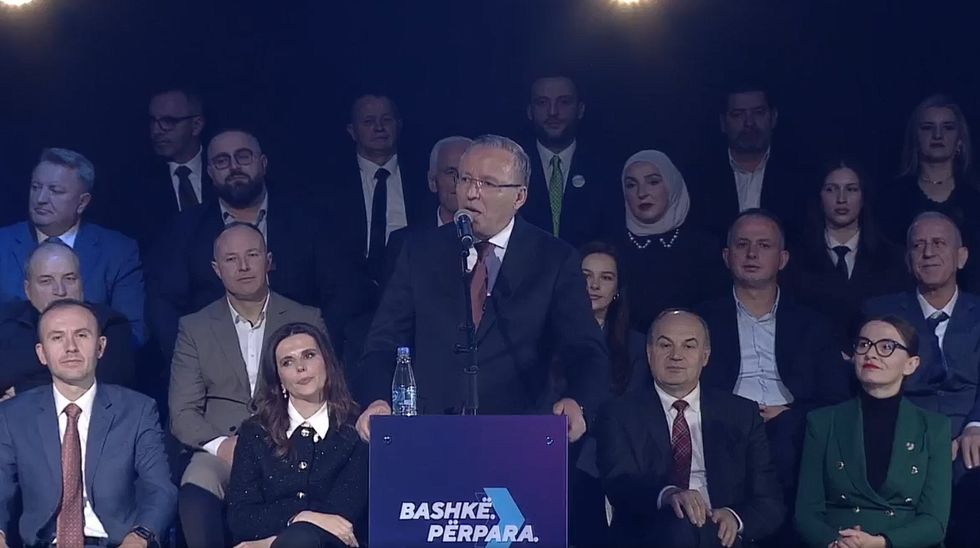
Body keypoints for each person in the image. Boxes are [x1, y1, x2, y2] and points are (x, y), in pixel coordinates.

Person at [354, 135, 607, 441]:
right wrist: (377, 399)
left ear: (519, 197)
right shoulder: (419, 252)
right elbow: (383, 341)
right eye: (465, 180)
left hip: (519, 435)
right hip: (430, 433)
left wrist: (579, 403)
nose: (472, 193)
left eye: (487, 183)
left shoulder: (553, 259)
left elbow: (585, 350)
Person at [146, 129, 368, 364]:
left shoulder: (308, 220)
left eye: (243, 157)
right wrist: (193, 359)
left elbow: (343, 292)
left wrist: (317, 351)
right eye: (222, 161)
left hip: (301, 356)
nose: (234, 167)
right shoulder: (186, 229)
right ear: (210, 172)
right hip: (216, 363)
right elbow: (164, 304)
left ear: (263, 163)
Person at [169, 223, 328, 548]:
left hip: (290, 443)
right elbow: (182, 412)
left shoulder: (306, 318)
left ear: (268, 261)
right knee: (196, 485)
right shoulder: (195, 327)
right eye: (231, 259)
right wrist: (222, 446)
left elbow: (327, 392)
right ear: (217, 269)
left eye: (252, 255)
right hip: (223, 447)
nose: (243, 266)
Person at [696, 209, 851, 543]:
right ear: (726, 256)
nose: (752, 254)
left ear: (783, 259)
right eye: (742, 245)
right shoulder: (702, 320)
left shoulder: (814, 324)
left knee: (787, 439)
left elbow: (837, 398)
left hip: (790, 427)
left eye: (764, 245)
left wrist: (791, 414)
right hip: (725, 425)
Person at [596, 309, 784, 547]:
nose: (676, 355)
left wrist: (735, 518)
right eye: (665, 345)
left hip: (722, 536)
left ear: (705, 356)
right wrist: (669, 494)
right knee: (679, 524)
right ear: (649, 353)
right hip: (652, 534)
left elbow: (769, 501)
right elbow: (620, 484)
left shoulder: (741, 414)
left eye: (689, 346)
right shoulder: (619, 414)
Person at [0, 299, 176, 548]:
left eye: (81, 335)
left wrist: (139, 537)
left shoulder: (137, 410)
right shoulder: (13, 415)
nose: (71, 347)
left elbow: (160, 488)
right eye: (57, 338)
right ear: (42, 353)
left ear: (100, 347)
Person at [862, 211, 980, 546]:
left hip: (972, 436)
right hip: (908, 436)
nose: (928, 252)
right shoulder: (880, 314)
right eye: (919, 245)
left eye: (939, 243)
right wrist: (932, 440)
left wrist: (976, 426)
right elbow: (874, 385)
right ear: (908, 259)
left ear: (962, 257)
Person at [795, 316, 951, 548]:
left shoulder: (934, 427)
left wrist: (880, 543)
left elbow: (935, 522)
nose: (871, 354)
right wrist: (836, 542)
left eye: (886, 347)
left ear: (911, 364)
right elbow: (806, 514)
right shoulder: (823, 422)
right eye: (863, 344)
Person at [227, 323, 367, 548]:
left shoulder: (356, 430)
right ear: (278, 378)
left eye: (309, 355)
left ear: (327, 362)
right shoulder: (255, 433)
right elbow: (241, 518)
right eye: (287, 362)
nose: (300, 367)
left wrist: (268, 543)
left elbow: (341, 518)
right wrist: (300, 516)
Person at [0, 147, 146, 346]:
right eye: (35, 187)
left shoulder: (118, 252)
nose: (40, 199)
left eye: (55, 191)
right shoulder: (3, 244)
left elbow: (132, 333)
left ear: (82, 202)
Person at [784, 157, 908, 351]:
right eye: (831, 189)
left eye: (851, 189)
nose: (841, 198)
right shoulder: (795, 260)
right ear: (819, 196)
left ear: (863, 197)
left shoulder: (892, 259)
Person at [613, 150, 727, 334]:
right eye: (631, 185)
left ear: (671, 184)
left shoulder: (703, 247)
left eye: (653, 182)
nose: (642, 193)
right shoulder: (611, 250)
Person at [0, 242, 134, 395]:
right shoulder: (6, 321)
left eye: (69, 279)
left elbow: (106, 383)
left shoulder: (110, 323)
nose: (60, 291)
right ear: (27, 289)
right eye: (46, 281)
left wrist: (21, 391)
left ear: (81, 284)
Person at [324, 93, 429, 284]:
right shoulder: (330, 185)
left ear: (399, 125)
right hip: (349, 286)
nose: (379, 128)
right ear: (352, 131)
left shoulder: (423, 179)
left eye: (386, 120)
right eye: (368, 121)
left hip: (414, 280)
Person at [687, 82, 810, 245]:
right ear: (723, 123)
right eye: (738, 115)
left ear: (774, 117)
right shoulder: (698, 178)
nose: (749, 123)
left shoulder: (802, 175)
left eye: (758, 113)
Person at [878, 94, 980, 270]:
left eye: (948, 128)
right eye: (927, 128)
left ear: (960, 141)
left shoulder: (975, 199)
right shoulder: (892, 199)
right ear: (915, 139)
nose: (937, 135)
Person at [519, 74, 621, 247]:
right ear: (530, 111)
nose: (553, 112)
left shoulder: (605, 168)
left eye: (564, 102)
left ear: (580, 110)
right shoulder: (510, 166)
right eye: (542, 102)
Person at [118, 87, 213, 249]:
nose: (156, 131)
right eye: (153, 121)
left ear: (196, 125)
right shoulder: (134, 182)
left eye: (168, 121)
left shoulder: (221, 167)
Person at [383, 136, 471, 285]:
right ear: (432, 182)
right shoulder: (404, 244)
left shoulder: (497, 240)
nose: (460, 181)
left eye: (468, 173)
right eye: (451, 172)